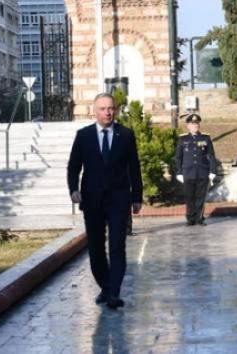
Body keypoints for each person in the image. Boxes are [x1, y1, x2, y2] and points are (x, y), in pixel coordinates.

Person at [67, 93, 143, 310]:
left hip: (119, 199)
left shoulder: (126, 135)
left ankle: (113, 293)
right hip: (92, 201)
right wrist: (73, 189)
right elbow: (74, 166)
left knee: (118, 246)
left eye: (110, 108)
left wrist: (137, 196)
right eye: (102, 108)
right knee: (96, 248)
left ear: (115, 110)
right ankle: (106, 287)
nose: (107, 112)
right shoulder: (84, 135)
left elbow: (134, 167)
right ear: (95, 111)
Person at [175, 113, 217, 226]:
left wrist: (213, 171)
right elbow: (178, 157)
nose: (195, 125)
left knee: (200, 197)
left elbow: (211, 156)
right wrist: (179, 172)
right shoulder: (182, 139)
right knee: (189, 197)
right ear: (188, 125)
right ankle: (190, 218)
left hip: (202, 172)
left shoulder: (206, 138)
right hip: (188, 173)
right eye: (193, 124)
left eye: (197, 123)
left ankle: (199, 218)